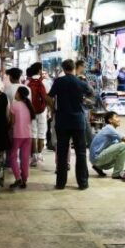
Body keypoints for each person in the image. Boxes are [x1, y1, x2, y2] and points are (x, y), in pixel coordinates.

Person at [48, 59, 93, 189]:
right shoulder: (80, 82)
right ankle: (83, 183)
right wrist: (83, 99)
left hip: (62, 120)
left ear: (63, 68)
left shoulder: (58, 81)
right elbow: (91, 94)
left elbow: (48, 96)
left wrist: (53, 109)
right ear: (74, 68)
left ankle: (61, 183)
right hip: (78, 121)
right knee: (81, 152)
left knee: (62, 152)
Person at [89, 112, 125, 179]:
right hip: (97, 158)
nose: (119, 119)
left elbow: (121, 150)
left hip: (96, 160)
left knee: (122, 149)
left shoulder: (110, 131)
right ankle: (117, 174)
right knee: (123, 145)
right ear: (110, 120)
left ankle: (98, 167)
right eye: (116, 117)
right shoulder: (109, 128)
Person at [9, 86, 35, 189]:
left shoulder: (14, 105)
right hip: (28, 135)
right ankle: (24, 180)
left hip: (17, 135)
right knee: (25, 158)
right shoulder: (29, 105)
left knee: (13, 156)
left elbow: (12, 122)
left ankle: (18, 178)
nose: (15, 94)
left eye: (16, 92)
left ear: (19, 94)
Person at [26, 63, 49, 168]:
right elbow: (48, 97)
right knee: (41, 133)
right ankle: (39, 155)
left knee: (33, 133)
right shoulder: (44, 82)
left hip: (31, 111)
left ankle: (33, 157)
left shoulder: (27, 82)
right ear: (39, 70)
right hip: (42, 110)